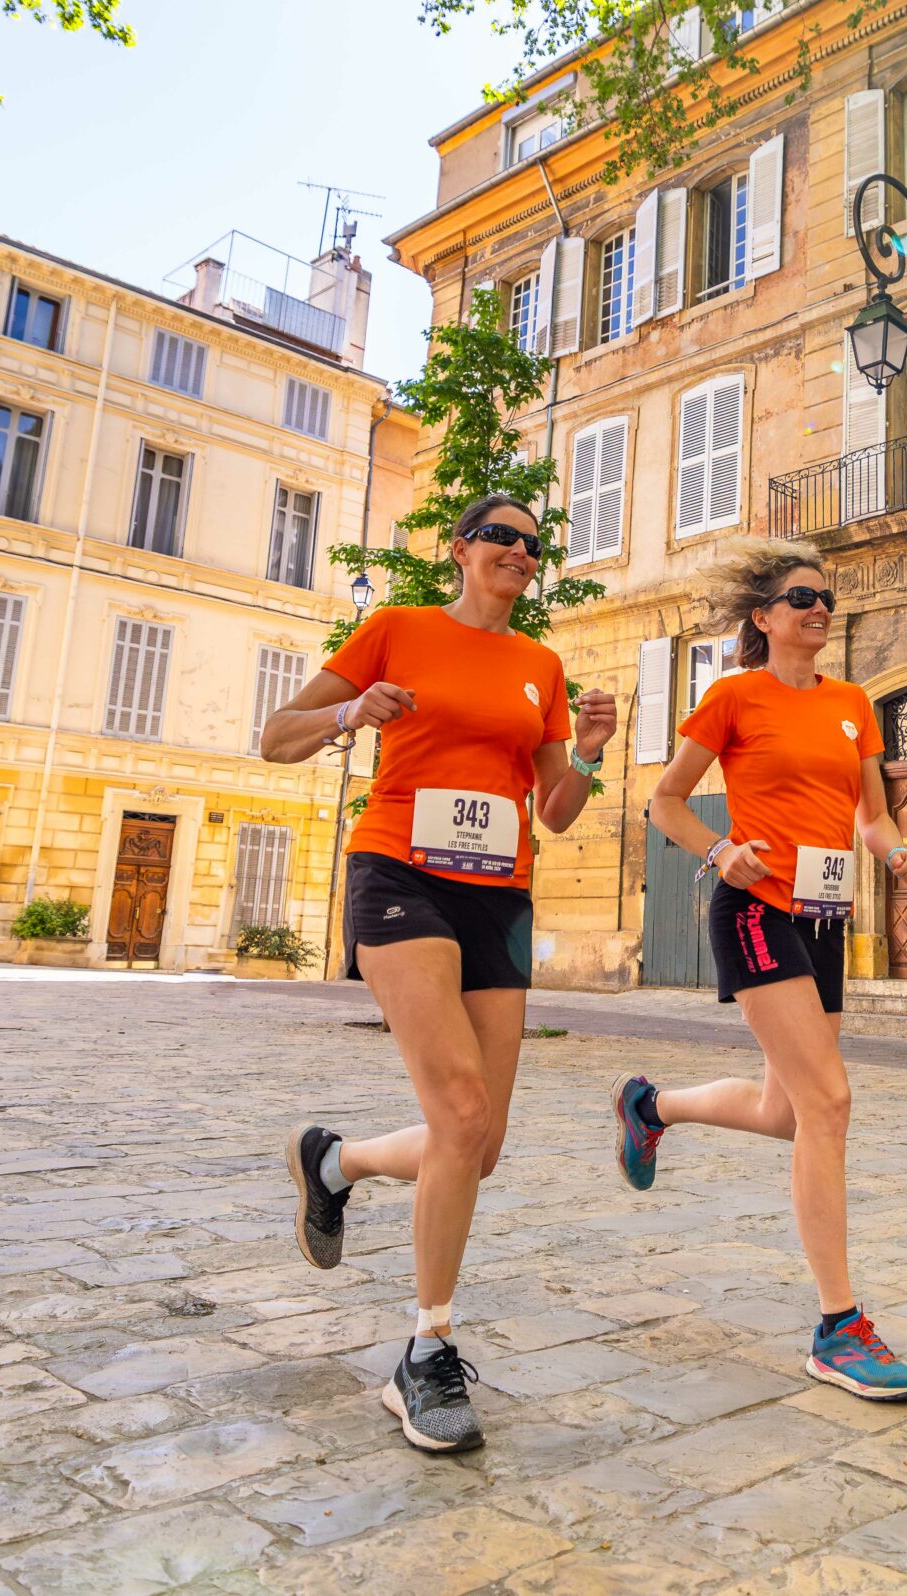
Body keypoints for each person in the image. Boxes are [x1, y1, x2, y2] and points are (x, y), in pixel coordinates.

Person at [261, 494, 615, 1454]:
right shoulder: (396, 629)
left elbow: (556, 812)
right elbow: (276, 736)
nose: (519, 552)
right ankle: (427, 1351)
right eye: (501, 536)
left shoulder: (539, 663)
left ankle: (335, 1163)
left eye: (533, 544)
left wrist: (585, 755)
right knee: (459, 1113)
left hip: (499, 893)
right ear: (460, 549)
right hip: (399, 873)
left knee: (480, 1142)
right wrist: (350, 709)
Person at [612, 538, 907, 1402]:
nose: (818, 608)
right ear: (764, 618)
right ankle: (840, 1326)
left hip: (825, 919)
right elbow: (666, 802)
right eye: (800, 598)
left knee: (785, 1112)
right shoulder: (732, 697)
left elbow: (872, 816)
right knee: (830, 1102)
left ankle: (652, 1106)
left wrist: (897, 854)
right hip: (757, 910)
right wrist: (722, 850)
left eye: (825, 597)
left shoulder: (852, 705)